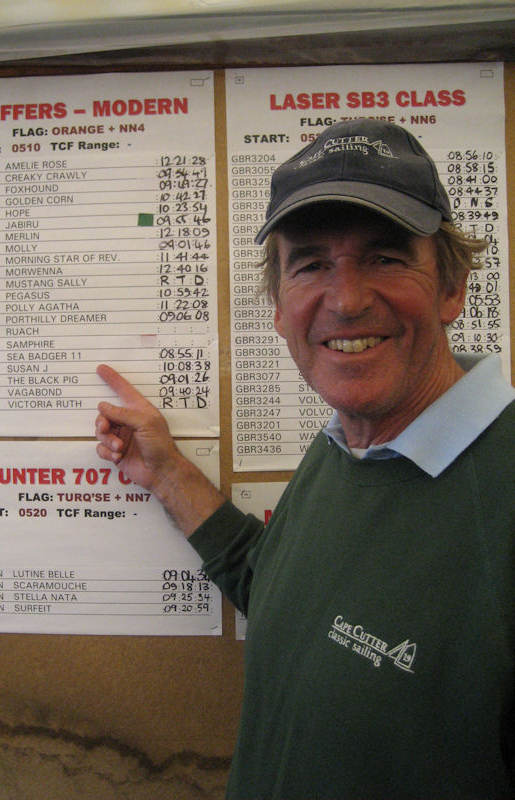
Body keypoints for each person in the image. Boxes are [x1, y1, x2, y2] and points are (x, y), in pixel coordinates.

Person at [95, 119, 515, 799]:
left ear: (452, 286)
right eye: (312, 264)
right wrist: (169, 474)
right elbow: (285, 592)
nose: (346, 301)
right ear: (280, 305)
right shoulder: (348, 447)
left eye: (385, 257)